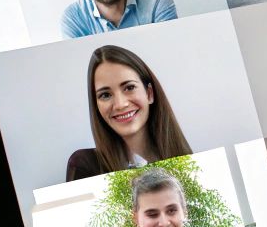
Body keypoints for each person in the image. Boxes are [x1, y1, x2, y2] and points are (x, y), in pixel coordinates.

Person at [65, 45, 193, 181]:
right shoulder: (84, 165)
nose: (120, 104)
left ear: (149, 93)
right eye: (105, 95)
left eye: (129, 87)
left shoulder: (185, 159)